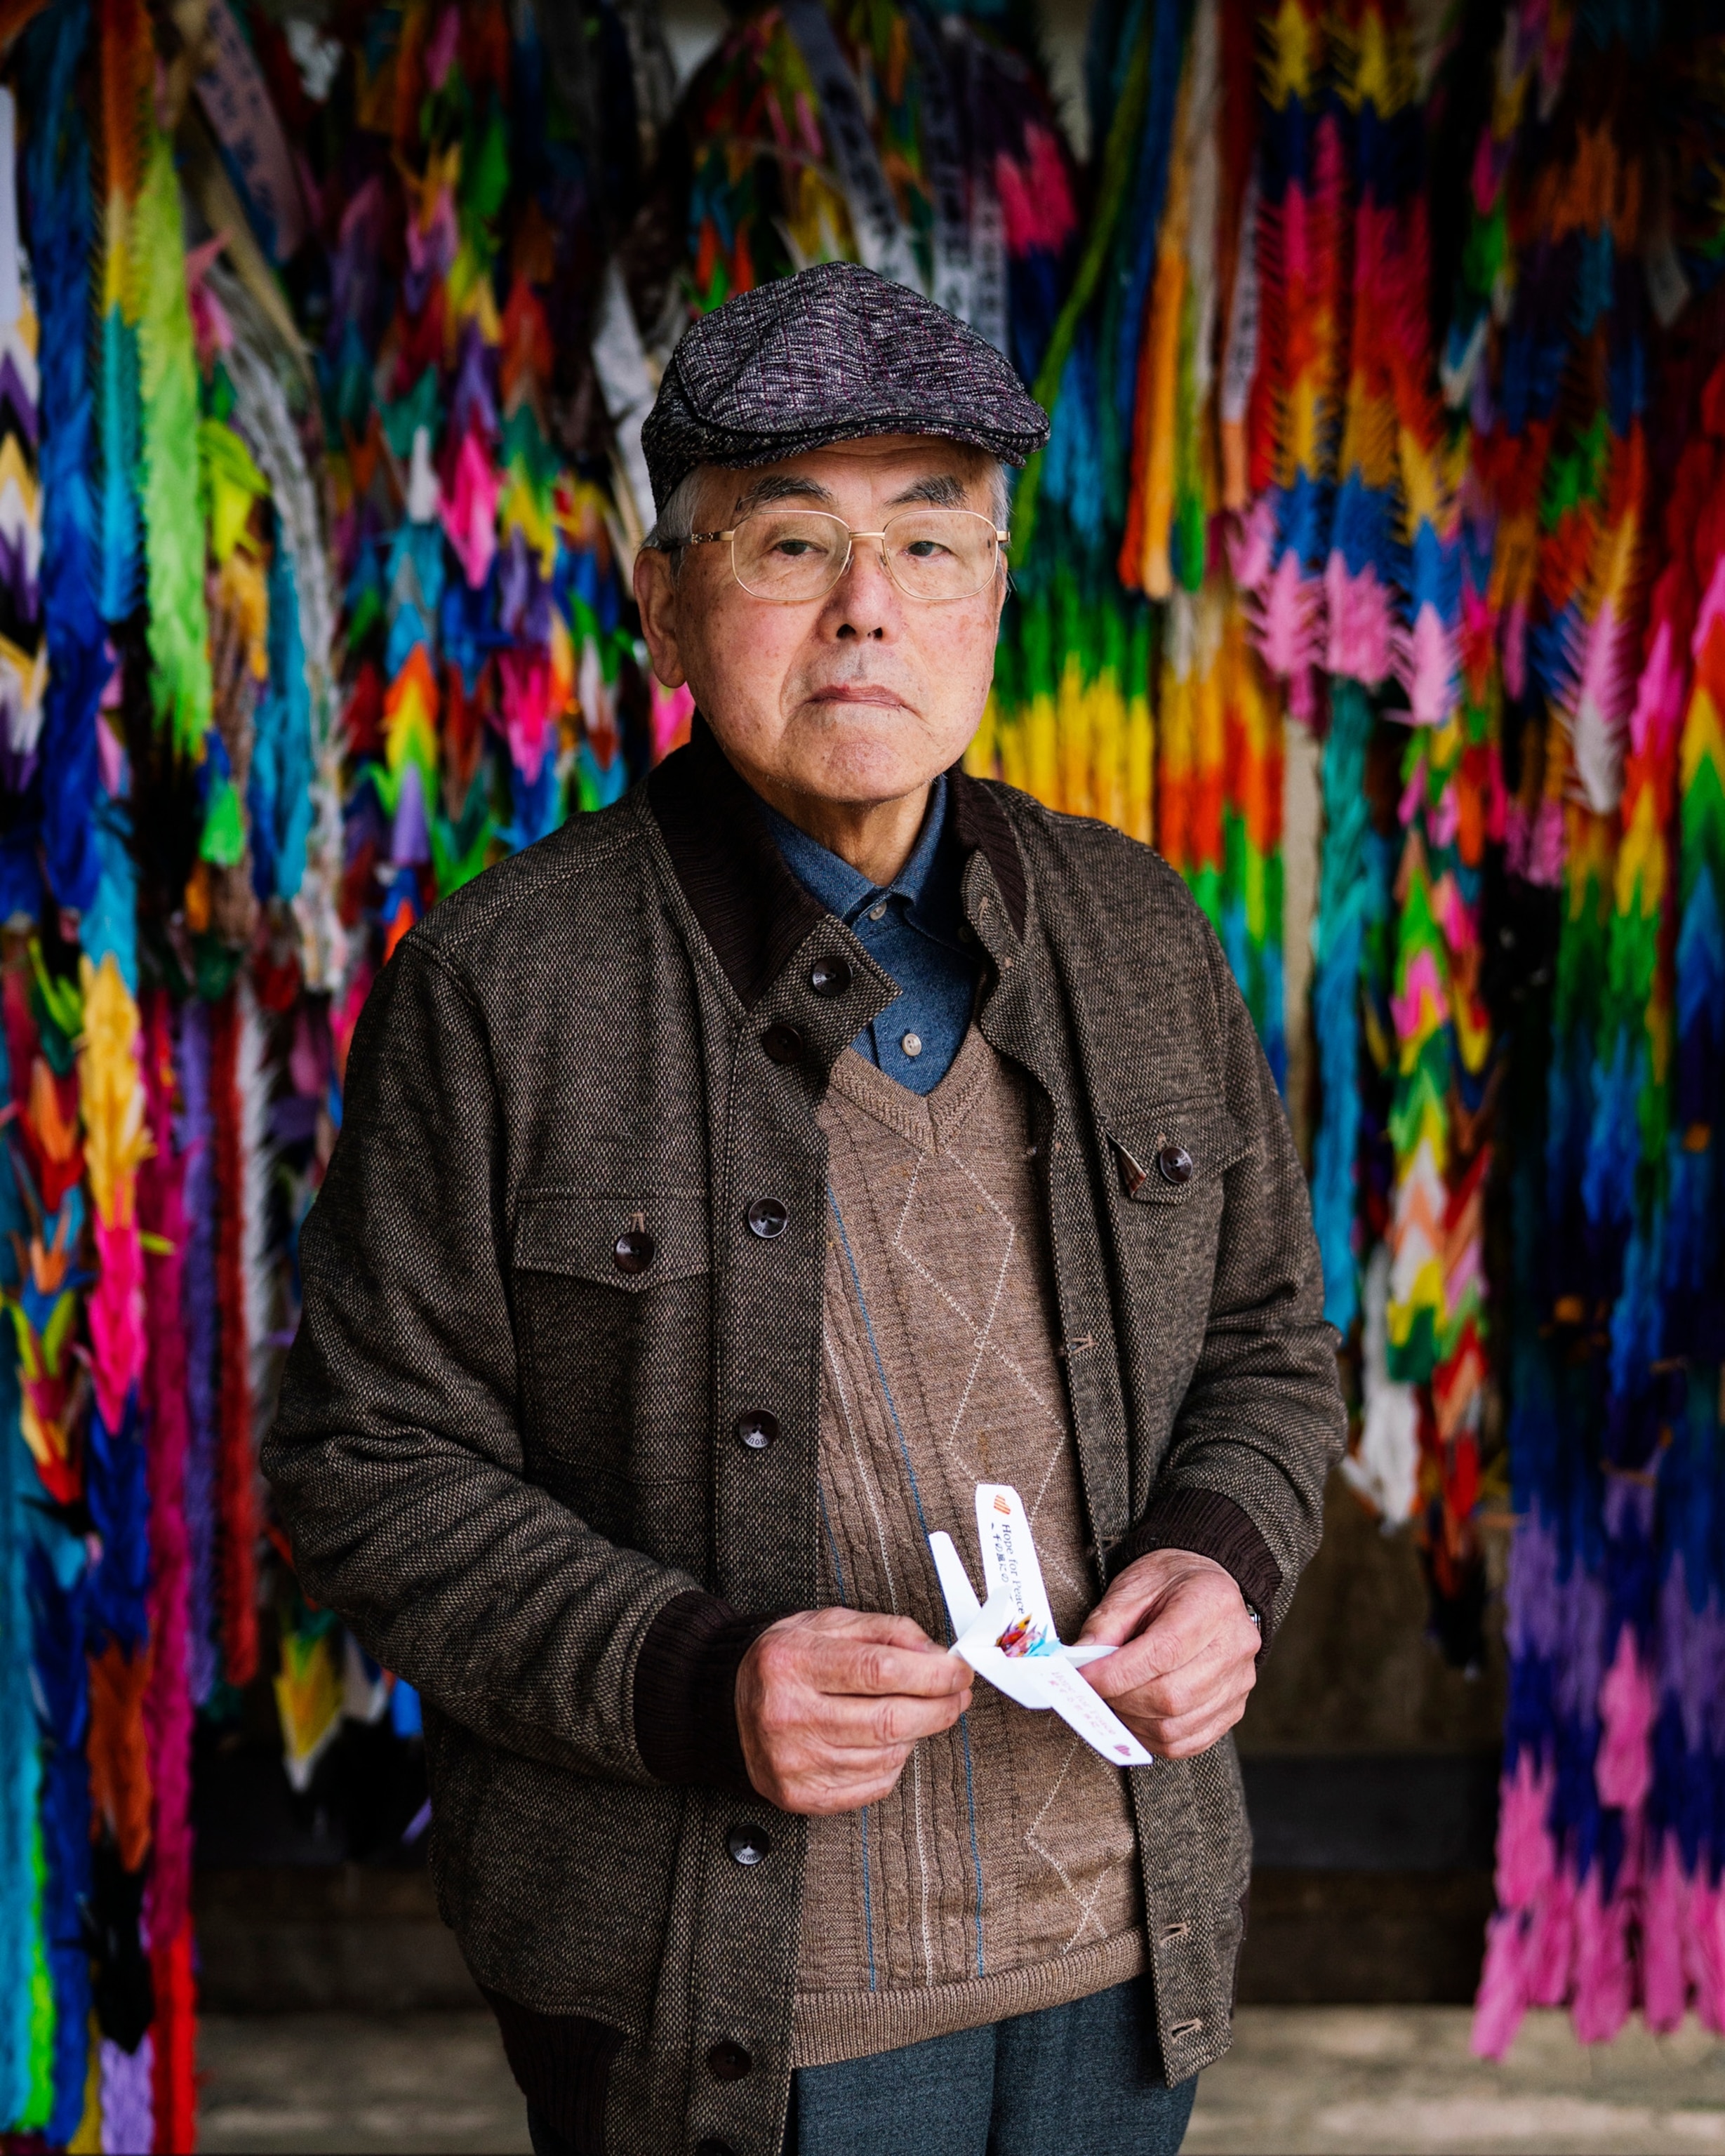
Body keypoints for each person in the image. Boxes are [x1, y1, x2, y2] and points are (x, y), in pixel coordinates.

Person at [265, 261, 1345, 2156]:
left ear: (995, 603)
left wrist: (1220, 1549)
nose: (869, 609)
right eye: (789, 544)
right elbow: (368, 1461)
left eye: (932, 548)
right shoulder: (505, 984)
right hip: (721, 1997)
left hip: (1120, 1961)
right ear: (664, 606)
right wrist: (694, 1680)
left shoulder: (1135, 932)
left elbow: (1266, 1339)